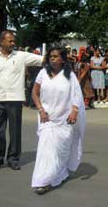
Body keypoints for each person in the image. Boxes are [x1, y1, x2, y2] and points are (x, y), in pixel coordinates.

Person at [0, 30, 43, 171]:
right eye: (10, 41)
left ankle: (13, 159)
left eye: (14, 41)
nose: (13, 43)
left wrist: (61, 56)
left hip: (15, 100)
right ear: (2, 42)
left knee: (15, 131)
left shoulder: (21, 56)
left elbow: (42, 60)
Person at [31, 47, 85, 194]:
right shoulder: (43, 73)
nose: (52, 58)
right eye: (50, 56)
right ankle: (43, 181)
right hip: (46, 118)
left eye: (55, 56)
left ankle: (60, 174)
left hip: (64, 120)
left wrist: (74, 112)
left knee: (61, 152)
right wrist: (41, 110)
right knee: (46, 151)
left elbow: (76, 96)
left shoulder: (70, 76)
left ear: (62, 59)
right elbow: (35, 93)